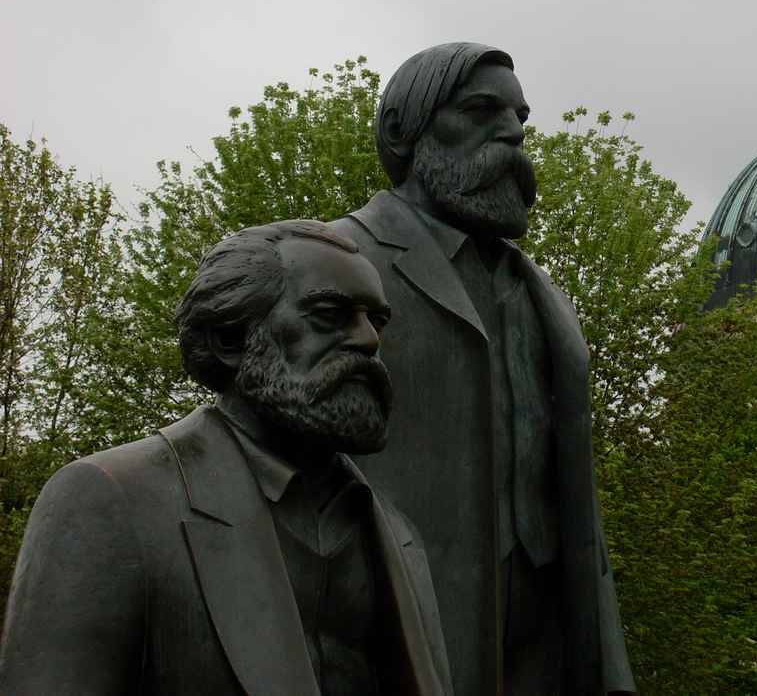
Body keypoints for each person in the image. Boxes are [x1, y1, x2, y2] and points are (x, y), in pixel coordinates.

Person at [0, 220, 453, 696]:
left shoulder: (399, 537)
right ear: (230, 339)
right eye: (328, 314)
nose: (368, 341)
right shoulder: (109, 499)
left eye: (375, 321)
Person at [332, 42, 635, 695]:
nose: (512, 132)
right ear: (400, 132)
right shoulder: (334, 260)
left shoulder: (539, 293)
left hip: (545, 635)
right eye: (480, 110)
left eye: (520, 117)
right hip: (403, 623)